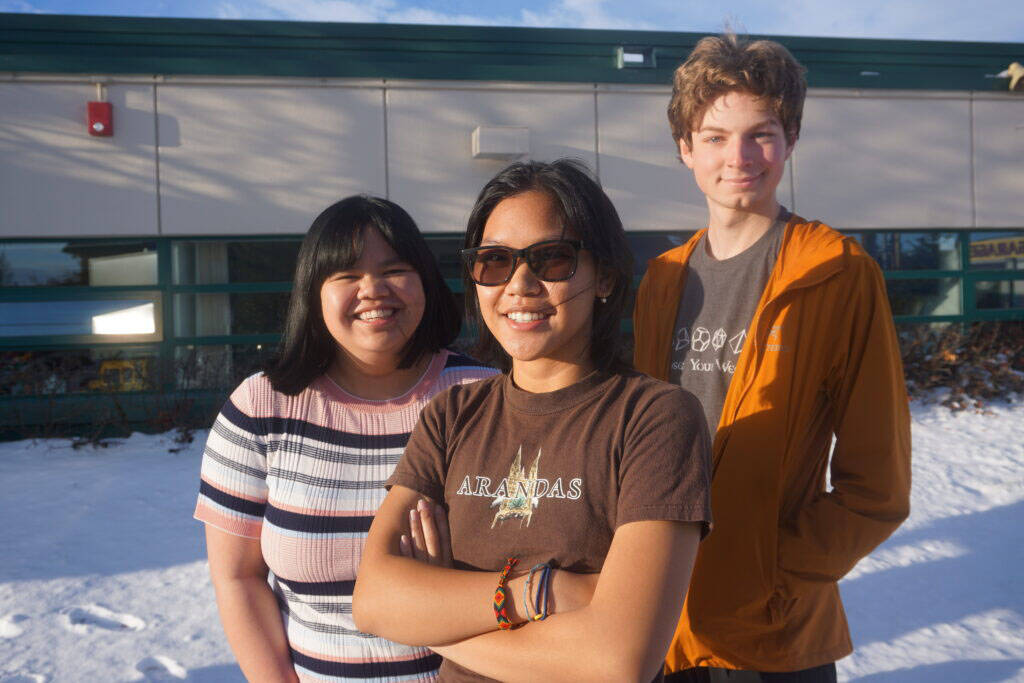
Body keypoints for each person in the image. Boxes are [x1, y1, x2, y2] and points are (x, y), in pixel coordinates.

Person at [352, 159, 713, 682]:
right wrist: (538, 591)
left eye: (552, 259)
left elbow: (618, 661)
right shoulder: (452, 416)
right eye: (494, 262)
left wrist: (429, 621)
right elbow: (374, 599)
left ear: (605, 276)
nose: (520, 285)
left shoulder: (654, 418)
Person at [632, 34, 913, 682]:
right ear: (685, 148)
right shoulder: (662, 280)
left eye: (761, 133)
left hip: (775, 634)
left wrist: (776, 569)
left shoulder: (837, 273)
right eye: (714, 136)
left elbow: (878, 488)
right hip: (661, 623)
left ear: (789, 140)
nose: (739, 156)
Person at [193, 195, 496, 682]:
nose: (373, 290)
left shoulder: (485, 398)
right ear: (314, 292)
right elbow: (238, 577)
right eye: (346, 275)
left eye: (394, 269)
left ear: (426, 283)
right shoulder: (261, 408)